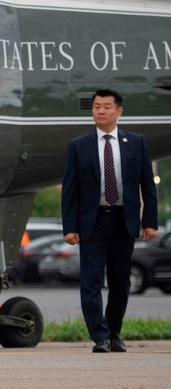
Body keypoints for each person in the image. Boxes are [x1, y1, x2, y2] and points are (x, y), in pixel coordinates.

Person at [61, 89, 158, 353]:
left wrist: (149, 222)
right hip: (92, 222)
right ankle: (100, 336)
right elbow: (70, 189)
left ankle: (114, 333)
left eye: (106, 106)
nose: (100, 111)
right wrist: (69, 227)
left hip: (122, 221)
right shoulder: (78, 146)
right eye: (96, 107)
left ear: (119, 111)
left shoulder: (136, 142)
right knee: (90, 281)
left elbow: (148, 186)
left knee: (120, 282)